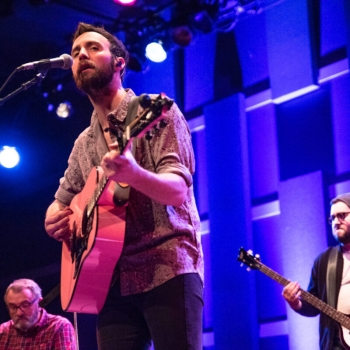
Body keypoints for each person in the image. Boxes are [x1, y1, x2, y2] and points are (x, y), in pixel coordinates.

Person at [44, 22, 204, 350]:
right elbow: (61, 201)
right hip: (109, 277)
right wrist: (54, 219)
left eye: (93, 48)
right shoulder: (83, 144)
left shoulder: (156, 113)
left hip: (167, 266)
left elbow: (177, 191)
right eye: (76, 53)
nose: (82, 55)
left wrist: (134, 174)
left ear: (119, 63)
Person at [282, 192, 350, 350]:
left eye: (341, 215)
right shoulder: (325, 261)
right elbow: (313, 305)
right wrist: (295, 303)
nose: (336, 222)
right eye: (332, 218)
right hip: (336, 344)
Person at [0, 278, 76, 349]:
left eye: (25, 305)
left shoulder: (59, 326)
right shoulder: (3, 331)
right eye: (13, 307)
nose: (19, 313)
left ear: (39, 302)